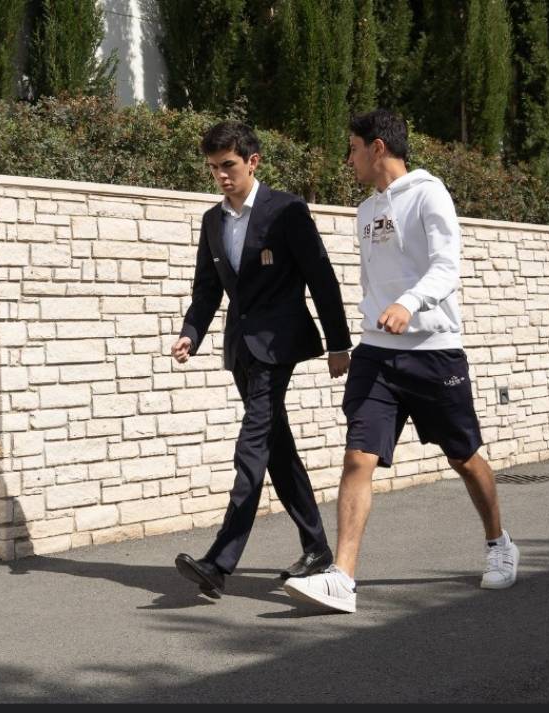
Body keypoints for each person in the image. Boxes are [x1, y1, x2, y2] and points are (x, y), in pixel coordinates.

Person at [283, 109, 518, 614]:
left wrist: (409, 304)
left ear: (378, 148)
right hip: (377, 354)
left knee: (464, 458)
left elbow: (446, 267)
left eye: (353, 148)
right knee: (357, 457)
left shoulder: (430, 194)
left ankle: (499, 543)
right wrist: (356, 335)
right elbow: (372, 283)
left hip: (433, 352)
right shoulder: (366, 211)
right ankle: (342, 578)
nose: (348, 159)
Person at [170, 121, 352, 598]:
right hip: (241, 348)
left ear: (253, 161)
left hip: (278, 344)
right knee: (276, 448)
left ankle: (219, 562)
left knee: (251, 447)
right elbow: (207, 290)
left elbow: (322, 277)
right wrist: (191, 333)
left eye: (228, 165)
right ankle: (317, 548)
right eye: (213, 168)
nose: (220, 176)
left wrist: (339, 343)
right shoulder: (212, 221)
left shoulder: (286, 210)